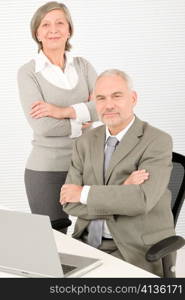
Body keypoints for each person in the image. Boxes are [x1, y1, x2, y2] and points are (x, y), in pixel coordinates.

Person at [60, 69, 175, 276]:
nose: (109, 105)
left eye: (117, 96)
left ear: (133, 98)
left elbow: (141, 201)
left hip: (133, 248)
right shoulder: (85, 142)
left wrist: (84, 194)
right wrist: (122, 191)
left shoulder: (157, 141)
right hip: (85, 244)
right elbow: (69, 202)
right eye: (101, 98)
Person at [17, 1, 98, 233]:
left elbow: (103, 107)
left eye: (60, 23)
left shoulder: (83, 66)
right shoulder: (28, 73)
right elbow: (42, 126)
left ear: (69, 29)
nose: (53, 29)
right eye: (46, 24)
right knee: (54, 241)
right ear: (37, 33)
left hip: (88, 166)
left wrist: (61, 111)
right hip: (46, 169)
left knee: (95, 236)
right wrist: (83, 120)